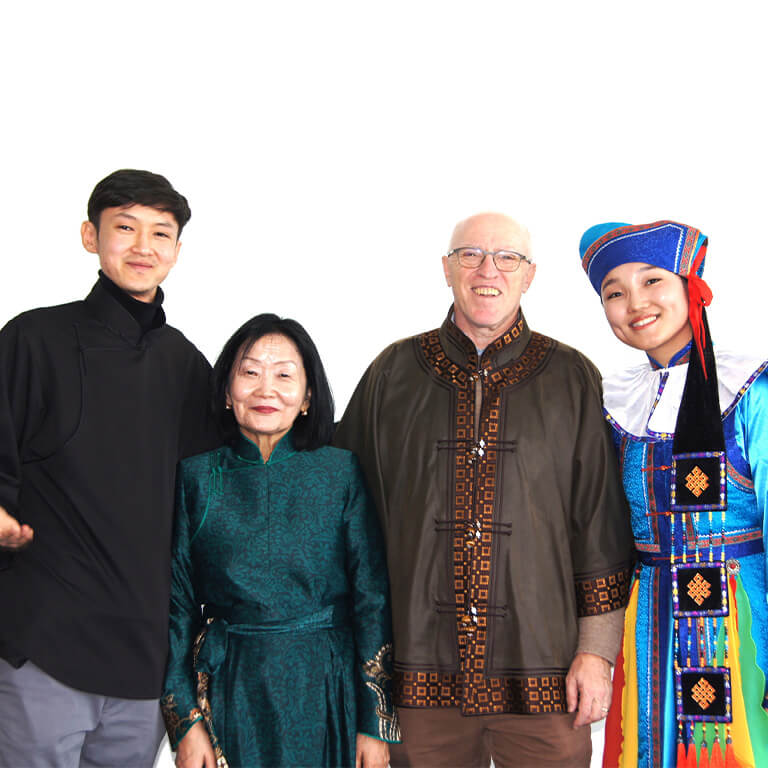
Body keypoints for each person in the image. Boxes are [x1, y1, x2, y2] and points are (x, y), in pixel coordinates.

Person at [334, 212, 634, 768]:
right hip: (416, 675)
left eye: (507, 258)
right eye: (470, 255)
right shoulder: (392, 373)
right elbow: (340, 512)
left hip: (545, 675)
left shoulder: (572, 377)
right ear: (447, 269)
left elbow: (600, 527)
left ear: (530, 275)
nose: (487, 270)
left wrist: (596, 653)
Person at [0, 169, 218, 767]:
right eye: (124, 228)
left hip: (144, 660)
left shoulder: (188, 367)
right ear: (90, 237)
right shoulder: (31, 339)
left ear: (177, 250)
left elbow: (211, 505)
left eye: (160, 233)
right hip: (45, 646)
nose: (143, 247)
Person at [161, 313, 399, 768]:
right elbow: (177, 607)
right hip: (230, 682)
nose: (265, 389)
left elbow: (372, 599)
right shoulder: (195, 477)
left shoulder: (340, 472)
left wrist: (375, 722)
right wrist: (185, 722)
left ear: (308, 395)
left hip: (325, 685)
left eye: (284, 374)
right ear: (227, 391)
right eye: (249, 372)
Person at [579, 220, 768, 767]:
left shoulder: (751, 387)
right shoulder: (610, 400)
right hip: (646, 622)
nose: (634, 302)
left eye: (652, 281)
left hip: (741, 618)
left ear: (692, 286)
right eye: (614, 292)